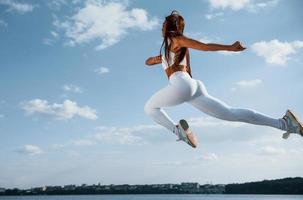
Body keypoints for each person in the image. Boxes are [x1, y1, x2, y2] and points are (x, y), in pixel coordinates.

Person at [144, 10, 303, 148]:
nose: (161, 27)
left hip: (181, 84)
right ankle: (284, 124)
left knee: (150, 108)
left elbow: (204, 46)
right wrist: (157, 59)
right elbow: (149, 62)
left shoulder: (176, 39)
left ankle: (177, 131)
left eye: (163, 25)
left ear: (170, 27)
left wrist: (230, 47)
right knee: (230, 113)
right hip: (193, 86)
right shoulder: (172, 50)